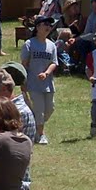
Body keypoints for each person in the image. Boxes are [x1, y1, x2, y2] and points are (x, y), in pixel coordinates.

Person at [21, 15, 59, 144]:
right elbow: (24, 63)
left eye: (49, 25)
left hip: (48, 83)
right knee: (39, 108)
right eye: (45, 24)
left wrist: (46, 73)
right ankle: (40, 134)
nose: (48, 27)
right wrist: (25, 80)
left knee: (50, 108)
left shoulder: (52, 45)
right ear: (37, 27)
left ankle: (34, 123)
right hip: (33, 82)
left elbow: (54, 62)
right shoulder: (29, 44)